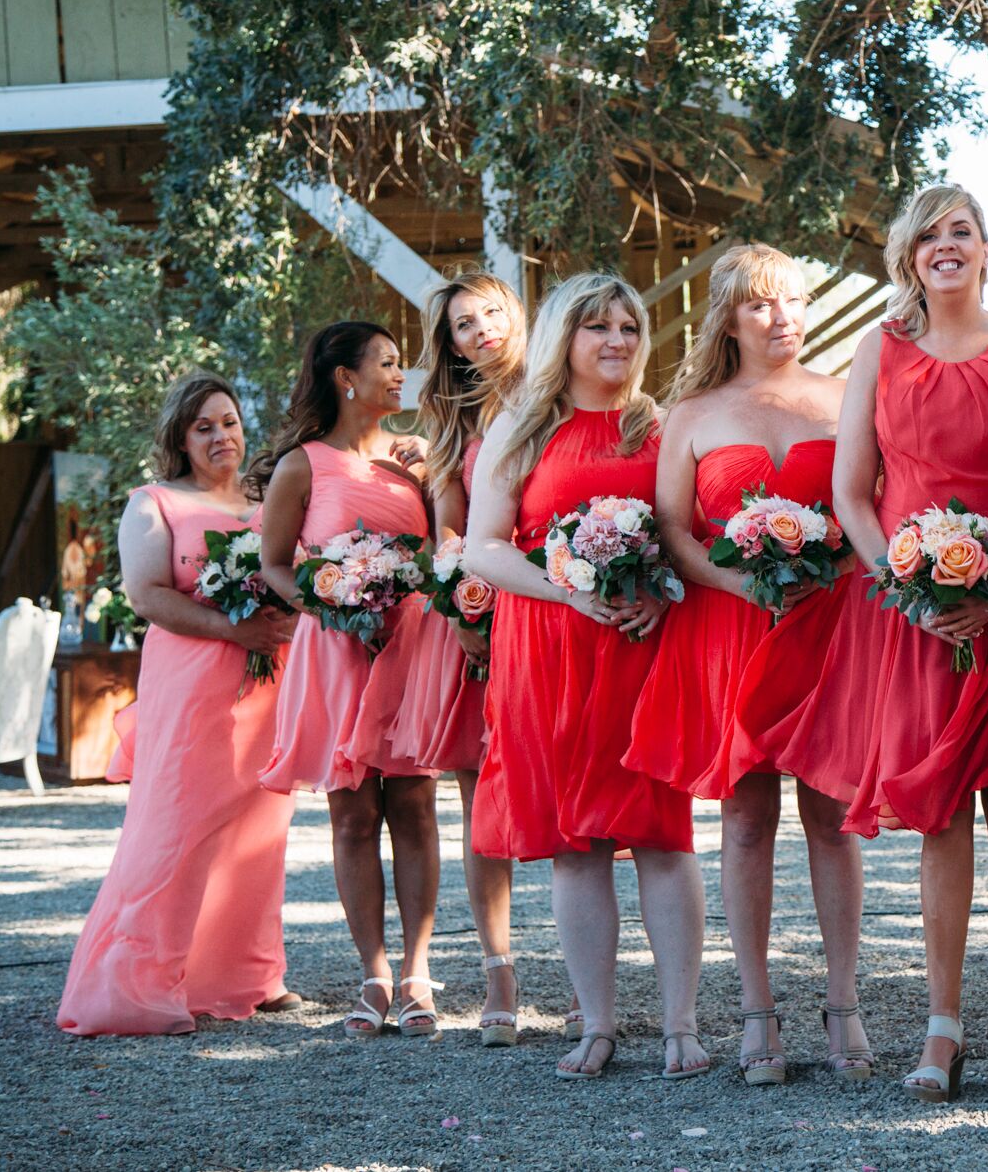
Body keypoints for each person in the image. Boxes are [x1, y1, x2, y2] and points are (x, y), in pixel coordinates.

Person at [750, 185, 988, 1102]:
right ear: (908, 256)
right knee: (937, 817)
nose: (946, 247)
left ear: (986, 247)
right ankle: (942, 1025)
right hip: (914, 612)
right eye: (929, 236)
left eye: (961, 230)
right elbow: (852, 490)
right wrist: (910, 584)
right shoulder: (880, 349)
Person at [623, 243, 873, 1085]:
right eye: (764, 304)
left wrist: (827, 572)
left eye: (795, 301)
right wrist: (739, 581)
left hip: (826, 626)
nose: (784, 318)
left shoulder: (845, 399)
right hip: (730, 628)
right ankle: (758, 1009)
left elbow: (868, 509)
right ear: (729, 316)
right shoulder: (691, 412)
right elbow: (672, 529)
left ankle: (843, 1002)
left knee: (832, 818)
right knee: (744, 819)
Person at [463, 272, 706, 1081]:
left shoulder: (659, 426)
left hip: (641, 647)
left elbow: (683, 533)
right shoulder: (521, 428)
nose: (616, 341)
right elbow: (483, 547)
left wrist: (657, 594)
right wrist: (569, 587)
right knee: (579, 845)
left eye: (629, 327)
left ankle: (681, 1023)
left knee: (662, 836)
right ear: (563, 336)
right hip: (551, 647)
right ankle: (596, 1023)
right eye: (597, 326)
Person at [58, 373, 298, 1034]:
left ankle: (248, 974)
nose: (222, 436)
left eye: (229, 421)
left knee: (259, 827)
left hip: (263, 685)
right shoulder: (154, 501)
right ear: (181, 438)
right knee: (175, 829)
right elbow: (147, 595)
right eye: (204, 427)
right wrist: (232, 628)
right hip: (190, 684)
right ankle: (135, 986)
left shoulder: (265, 497)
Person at [254, 322, 444, 1040]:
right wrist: (329, 600)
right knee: (353, 813)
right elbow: (276, 562)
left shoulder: (412, 465)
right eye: (389, 364)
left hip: (410, 647)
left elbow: (436, 551)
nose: (402, 375)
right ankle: (373, 973)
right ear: (346, 377)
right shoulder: (301, 466)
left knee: (417, 805)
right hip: (336, 654)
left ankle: (419, 970)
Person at [394, 268, 532, 1045]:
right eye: (462, 325)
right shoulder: (454, 426)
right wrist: (466, 613)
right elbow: (451, 537)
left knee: (572, 790)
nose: (480, 330)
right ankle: (498, 972)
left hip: (561, 607)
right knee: (482, 798)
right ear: (448, 345)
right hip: (484, 621)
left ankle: (593, 982)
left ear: (513, 315)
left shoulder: (555, 391)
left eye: (489, 314)